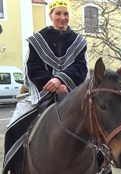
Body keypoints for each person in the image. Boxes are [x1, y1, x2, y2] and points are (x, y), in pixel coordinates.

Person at [3, 0, 91, 173]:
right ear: (50, 15)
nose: (62, 18)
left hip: (71, 92)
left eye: (65, 14)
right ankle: (13, 168)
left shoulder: (79, 42)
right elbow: (32, 68)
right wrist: (52, 84)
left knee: (97, 128)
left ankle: (103, 166)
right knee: (13, 129)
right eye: (58, 13)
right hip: (41, 93)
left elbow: (81, 67)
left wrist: (61, 80)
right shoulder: (37, 40)